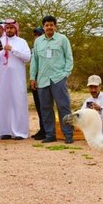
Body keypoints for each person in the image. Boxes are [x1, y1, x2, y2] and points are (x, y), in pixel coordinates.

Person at [29, 15, 74, 143]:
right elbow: (34, 61)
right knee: (45, 108)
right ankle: (50, 134)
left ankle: (68, 135)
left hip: (58, 78)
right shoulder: (38, 42)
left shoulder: (62, 39)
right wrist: (33, 77)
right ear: (43, 27)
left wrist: (65, 73)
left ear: (55, 26)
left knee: (63, 106)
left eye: (51, 25)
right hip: (42, 80)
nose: (49, 27)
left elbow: (69, 58)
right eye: (46, 25)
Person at [0, 19, 31, 140]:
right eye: (8, 28)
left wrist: (12, 49)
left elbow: (27, 57)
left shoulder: (21, 42)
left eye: (11, 28)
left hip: (17, 77)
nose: (9, 30)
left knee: (18, 101)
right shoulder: (0, 41)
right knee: (3, 102)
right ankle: (5, 130)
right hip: (3, 78)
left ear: (16, 29)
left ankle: (20, 132)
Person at [30, 27, 45, 139]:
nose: (37, 37)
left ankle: (47, 129)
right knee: (39, 105)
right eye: (36, 35)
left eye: (39, 35)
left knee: (45, 106)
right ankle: (42, 128)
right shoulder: (33, 49)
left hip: (45, 79)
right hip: (36, 79)